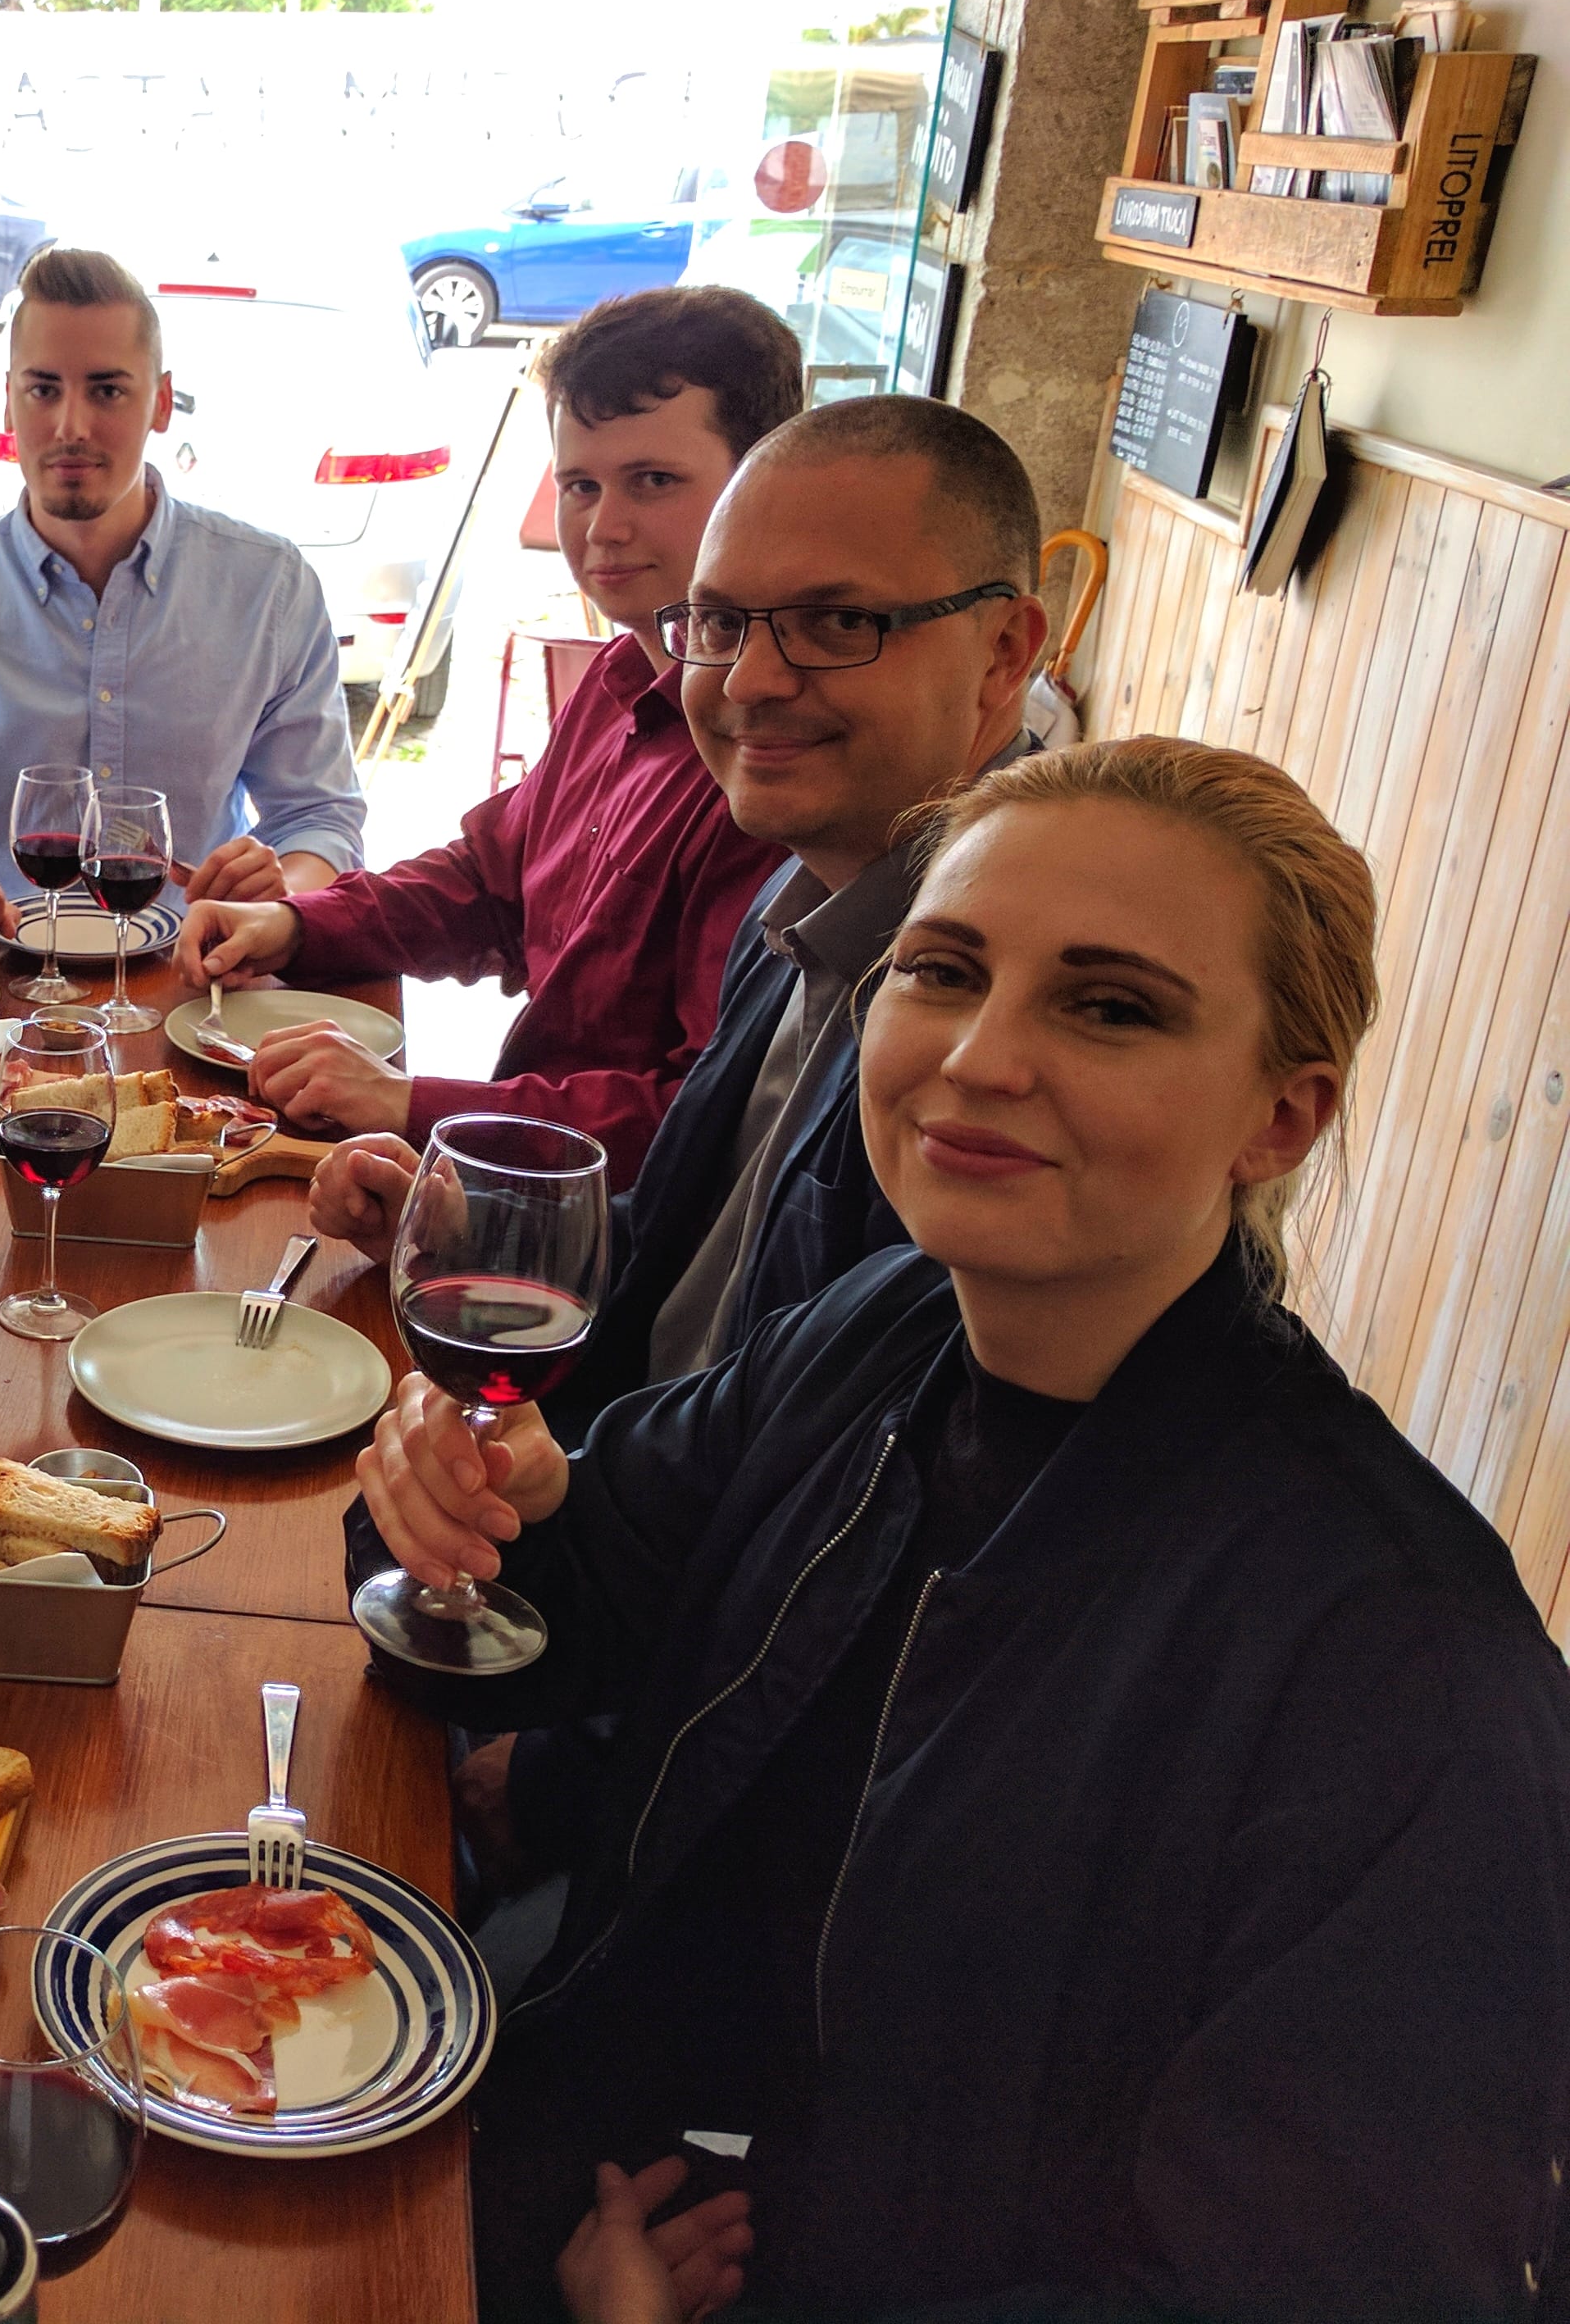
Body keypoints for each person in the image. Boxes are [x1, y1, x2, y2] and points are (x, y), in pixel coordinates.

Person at [355, 736, 1570, 2319]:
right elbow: (572, 1591)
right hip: (595, 2123)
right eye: (943, 967)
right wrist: (465, 1506)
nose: (980, 1056)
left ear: (1279, 1114)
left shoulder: (1401, 1670)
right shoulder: (883, 1322)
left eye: (1108, 1003)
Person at [319, 393, 1050, 1900]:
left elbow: (889, 1588)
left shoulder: (982, 1054)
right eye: (720, 624)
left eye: (837, 621)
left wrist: (578, 1770)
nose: (754, 678)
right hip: (606, 1593)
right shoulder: (804, 921)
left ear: (1003, 652)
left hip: (728, 1838)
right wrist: (512, 1468)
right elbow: (683, 1327)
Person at [173, 287, 796, 1181]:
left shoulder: (765, 759)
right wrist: (294, 925)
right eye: (580, 484)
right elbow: (489, 882)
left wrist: (409, 1104)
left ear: (759, 481)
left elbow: (700, 1121)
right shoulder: (622, 677)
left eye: (653, 482)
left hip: (601, 1247)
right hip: (510, 1175)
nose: (602, 527)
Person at [0, 243, 367, 949]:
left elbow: (322, 823)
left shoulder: (269, 588)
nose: (71, 427)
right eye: (44, 389)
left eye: (106, 390)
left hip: (200, 969)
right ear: (8, 399)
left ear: (159, 402)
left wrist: (280, 895)